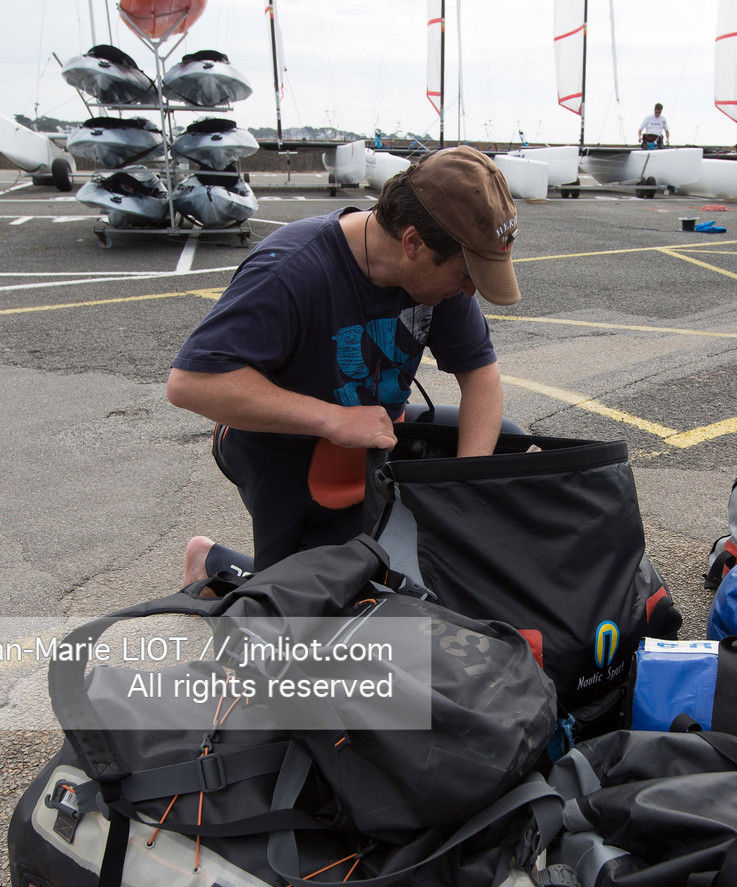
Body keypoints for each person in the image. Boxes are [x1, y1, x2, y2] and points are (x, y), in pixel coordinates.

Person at [167, 146, 517, 579]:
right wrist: (333, 419)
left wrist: (464, 487)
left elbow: (482, 375)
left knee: (504, 443)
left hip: (374, 432)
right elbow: (190, 383)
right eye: (466, 276)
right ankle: (213, 563)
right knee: (305, 609)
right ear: (413, 243)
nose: (469, 293)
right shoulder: (293, 269)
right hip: (284, 442)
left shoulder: (437, 273)